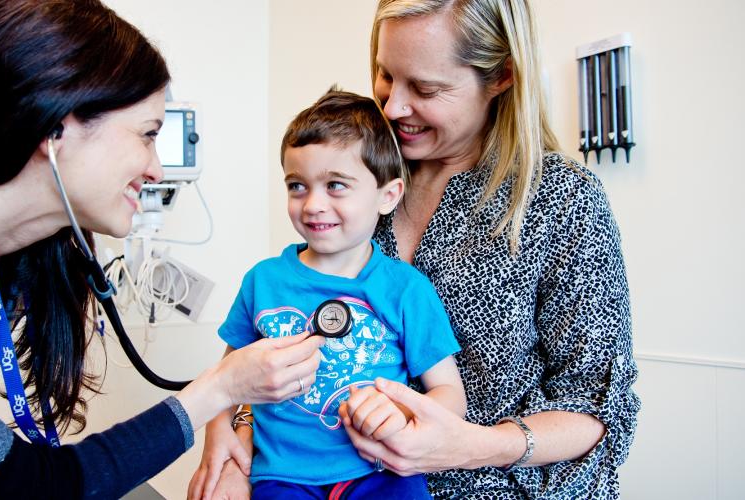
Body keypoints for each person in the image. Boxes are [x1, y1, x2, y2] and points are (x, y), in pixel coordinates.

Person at [0, 0, 325, 498]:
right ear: (55, 128)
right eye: (147, 135)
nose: (156, 170)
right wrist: (219, 389)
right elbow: (20, 489)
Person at [192, 1, 641, 499]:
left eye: (425, 88)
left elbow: (599, 409)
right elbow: (279, 341)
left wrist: (472, 445)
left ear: (502, 77)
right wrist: (235, 441)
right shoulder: (361, 176)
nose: (393, 107)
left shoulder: (562, 199)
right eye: (386, 74)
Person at [189, 89, 466, 500]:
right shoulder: (263, 282)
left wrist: (402, 411)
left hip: (383, 471)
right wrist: (217, 434)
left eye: (336, 185)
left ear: (387, 196)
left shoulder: (407, 289)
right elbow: (225, 380)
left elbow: (450, 396)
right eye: (297, 186)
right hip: (283, 478)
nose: (313, 204)